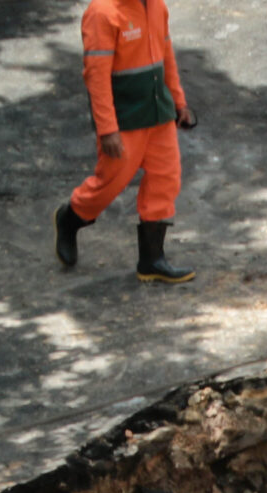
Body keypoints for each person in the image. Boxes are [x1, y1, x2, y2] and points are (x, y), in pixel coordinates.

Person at [55, 0, 196, 283]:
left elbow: (167, 54)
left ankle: (152, 261)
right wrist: (107, 129)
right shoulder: (102, 13)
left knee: (166, 180)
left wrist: (179, 102)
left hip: (159, 114)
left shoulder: (157, 6)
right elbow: (96, 76)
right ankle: (71, 217)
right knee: (110, 182)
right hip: (125, 120)